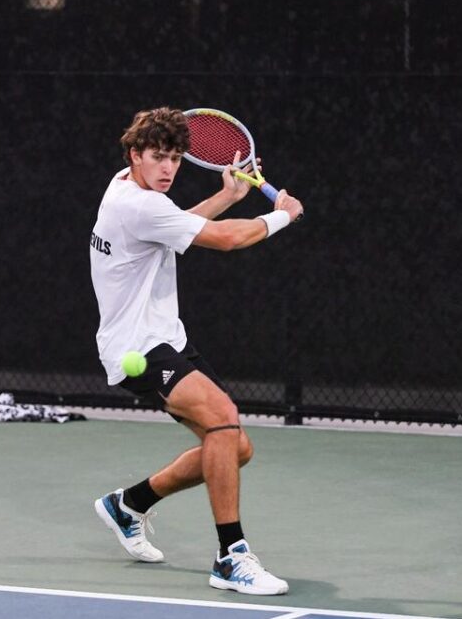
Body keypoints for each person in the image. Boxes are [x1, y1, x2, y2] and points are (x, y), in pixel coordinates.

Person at [89, 107, 303, 596]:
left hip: (166, 339)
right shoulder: (138, 205)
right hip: (135, 348)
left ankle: (129, 505)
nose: (167, 169)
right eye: (158, 158)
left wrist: (227, 195)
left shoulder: (126, 185)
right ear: (135, 156)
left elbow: (174, 227)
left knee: (233, 446)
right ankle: (231, 556)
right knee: (224, 417)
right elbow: (225, 241)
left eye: (176, 159)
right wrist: (280, 217)